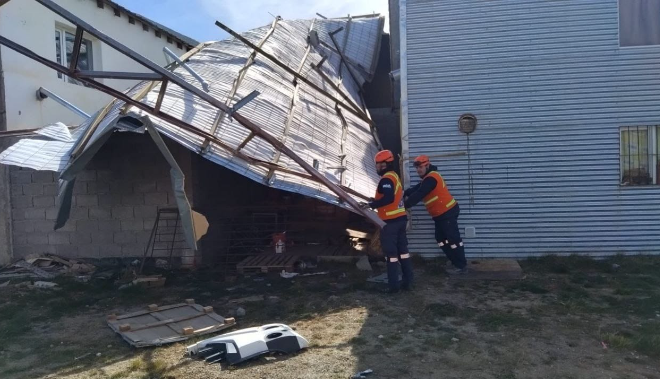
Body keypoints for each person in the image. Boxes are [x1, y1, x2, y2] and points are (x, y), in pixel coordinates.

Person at [360, 150, 414, 293]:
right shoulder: (394, 176)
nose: (377, 167)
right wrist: (375, 201)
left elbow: (388, 198)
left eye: (378, 164)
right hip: (401, 220)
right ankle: (408, 281)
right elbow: (393, 198)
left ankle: (393, 287)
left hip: (390, 223)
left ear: (384, 164)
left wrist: (371, 205)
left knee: (391, 256)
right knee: (403, 253)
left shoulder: (386, 179)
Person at [403, 155, 468, 274]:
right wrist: (403, 193)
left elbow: (420, 194)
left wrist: (404, 206)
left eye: (421, 167)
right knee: (441, 239)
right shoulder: (427, 179)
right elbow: (415, 190)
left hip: (447, 212)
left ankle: (461, 266)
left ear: (427, 165)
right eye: (417, 168)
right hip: (440, 215)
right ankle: (454, 261)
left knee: (453, 239)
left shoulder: (431, 178)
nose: (418, 170)